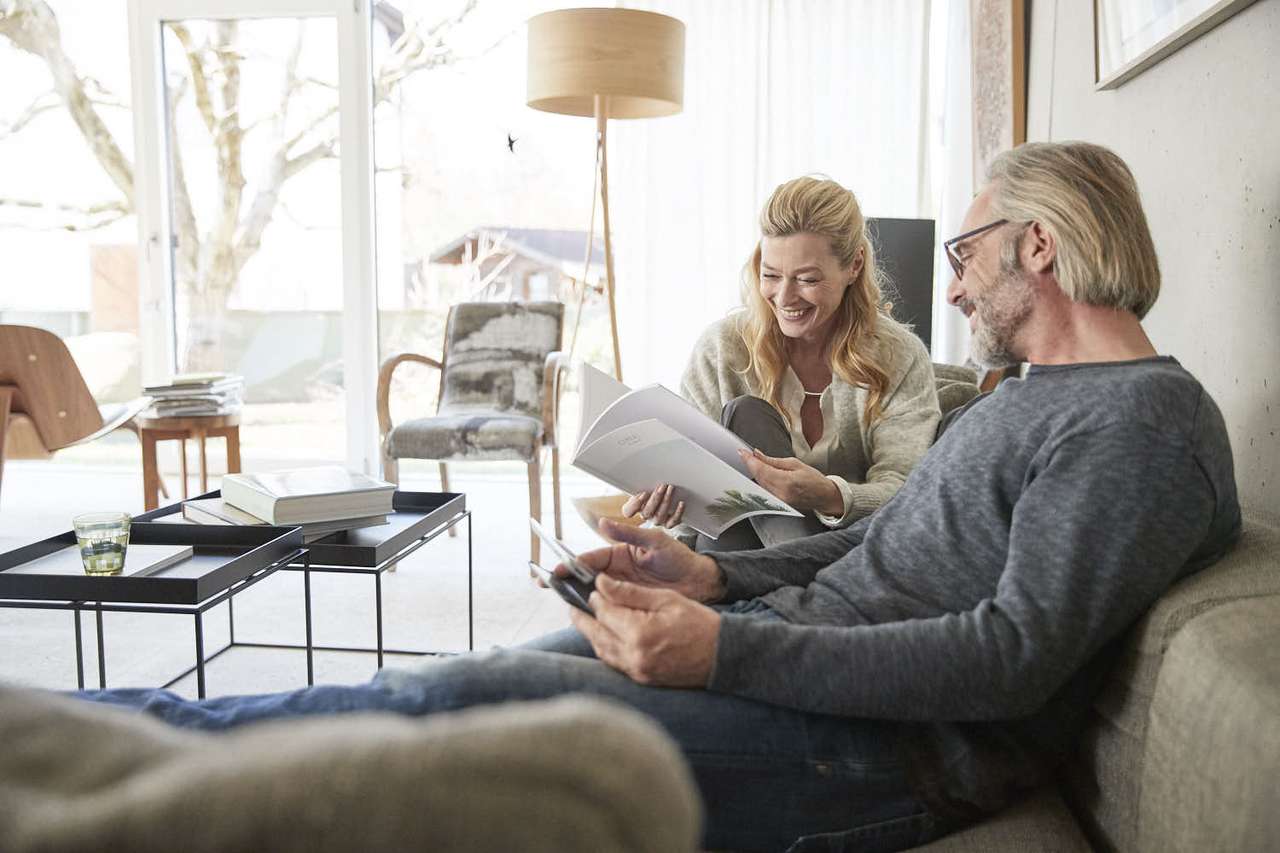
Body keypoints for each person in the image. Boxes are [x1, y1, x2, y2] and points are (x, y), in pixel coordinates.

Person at [77, 142, 1240, 853]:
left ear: (1035, 248)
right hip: (796, 656)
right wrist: (713, 577)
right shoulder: (1022, 397)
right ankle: (124, 749)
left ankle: (105, 763)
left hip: (876, 757)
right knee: (452, 674)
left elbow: (1009, 657)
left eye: (967, 245)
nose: (951, 275)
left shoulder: (1139, 423)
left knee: (468, 701)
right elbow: (886, 536)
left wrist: (718, 654)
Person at [623, 176, 940, 550]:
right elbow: (697, 503)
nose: (785, 297)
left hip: (851, 553)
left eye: (807, 279)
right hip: (739, 549)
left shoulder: (898, 355)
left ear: (854, 266)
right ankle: (794, 590)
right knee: (747, 416)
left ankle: (790, 582)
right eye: (770, 275)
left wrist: (828, 495)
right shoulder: (722, 349)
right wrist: (670, 506)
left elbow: (909, 491)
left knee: (745, 418)